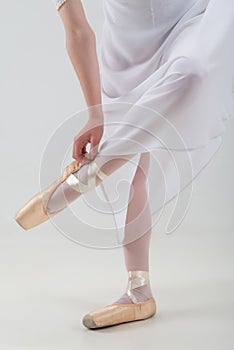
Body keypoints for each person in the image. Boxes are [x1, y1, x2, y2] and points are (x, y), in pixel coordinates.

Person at [15, 0, 234, 329]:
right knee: (133, 173)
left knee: (192, 75)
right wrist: (95, 113)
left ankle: (85, 178)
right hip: (125, 53)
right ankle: (139, 292)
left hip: (191, 24)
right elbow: (78, 31)